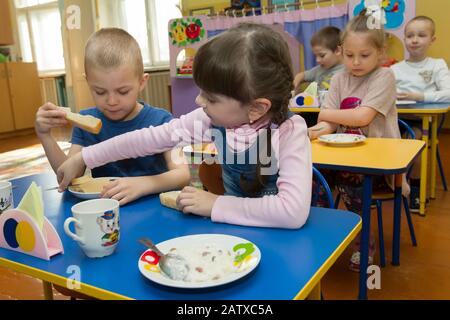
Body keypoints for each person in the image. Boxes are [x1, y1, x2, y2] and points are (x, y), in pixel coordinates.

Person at [57, 23, 312, 229]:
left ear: (256, 108)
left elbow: (291, 212)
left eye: (211, 98)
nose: (198, 100)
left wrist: (215, 205)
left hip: (279, 241)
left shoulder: (290, 131)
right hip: (234, 231)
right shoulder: (209, 118)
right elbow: (145, 140)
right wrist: (86, 157)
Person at [35, 28, 190, 206]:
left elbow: (182, 174)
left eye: (123, 91)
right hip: (106, 215)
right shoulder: (86, 121)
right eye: (100, 92)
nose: (112, 101)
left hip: (155, 207)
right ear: (88, 83)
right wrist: (45, 136)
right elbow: (69, 175)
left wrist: (143, 184)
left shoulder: (162, 120)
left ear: (142, 82)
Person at [309, 9, 406, 272]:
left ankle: (364, 244)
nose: (356, 62)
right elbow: (327, 122)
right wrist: (317, 129)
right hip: (342, 156)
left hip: (377, 161)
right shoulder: (339, 78)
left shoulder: (384, 77)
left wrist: (325, 113)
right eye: (349, 55)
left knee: (352, 182)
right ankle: (322, 239)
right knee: (311, 178)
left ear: (380, 53)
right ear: (341, 51)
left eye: (365, 55)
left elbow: (363, 117)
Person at [391, 16, 450, 211]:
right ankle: (386, 182)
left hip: (421, 121)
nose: (414, 40)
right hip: (394, 119)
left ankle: (412, 186)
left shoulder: (436, 65)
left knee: (415, 141)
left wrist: (420, 95)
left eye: (421, 35)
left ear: (432, 39)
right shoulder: (395, 68)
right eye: (409, 36)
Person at [293, 26, 344, 93]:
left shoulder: (347, 71)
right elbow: (301, 75)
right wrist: (295, 86)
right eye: (315, 55)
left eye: (322, 55)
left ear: (337, 50)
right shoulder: (319, 69)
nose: (317, 60)